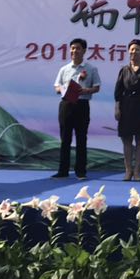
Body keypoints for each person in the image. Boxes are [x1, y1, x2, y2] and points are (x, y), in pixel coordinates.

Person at [53, 38, 101, 179]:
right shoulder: (64, 69)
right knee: (65, 139)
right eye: (72, 48)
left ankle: (80, 171)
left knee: (81, 139)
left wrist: (85, 91)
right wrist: (63, 89)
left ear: (84, 51)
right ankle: (63, 171)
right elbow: (56, 86)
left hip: (82, 105)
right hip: (66, 105)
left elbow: (97, 87)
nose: (74, 51)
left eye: (78, 48)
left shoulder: (91, 69)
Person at [114, 39, 140, 181]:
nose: (134, 52)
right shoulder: (124, 69)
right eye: (132, 49)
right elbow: (118, 90)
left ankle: (137, 171)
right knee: (126, 139)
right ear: (128, 51)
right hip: (126, 106)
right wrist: (117, 108)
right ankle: (128, 170)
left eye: (137, 49)